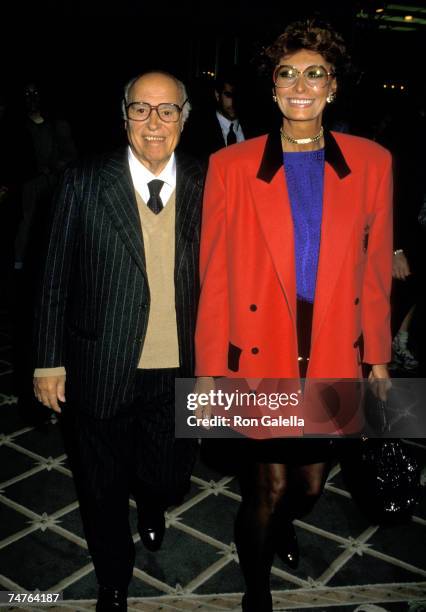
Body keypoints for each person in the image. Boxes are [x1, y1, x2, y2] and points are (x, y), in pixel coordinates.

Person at [194, 19, 392, 612]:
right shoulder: (231, 166)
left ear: (333, 86)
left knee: (308, 485)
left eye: (315, 73)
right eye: (287, 73)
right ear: (273, 87)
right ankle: (258, 593)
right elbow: (215, 276)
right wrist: (208, 373)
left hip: (335, 348)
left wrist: (378, 362)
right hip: (261, 348)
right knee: (268, 484)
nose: (300, 84)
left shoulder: (373, 162)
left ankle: (284, 526)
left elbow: (376, 271)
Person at [33, 71, 205, 611]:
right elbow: (54, 273)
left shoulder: (210, 182)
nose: (154, 123)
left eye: (167, 110)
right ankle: (113, 578)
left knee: (168, 476)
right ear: (123, 113)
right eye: (141, 110)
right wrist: (47, 361)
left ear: (185, 116)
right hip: (100, 362)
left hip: (181, 366)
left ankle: (152, 502)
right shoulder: (84, 180)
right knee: (101, 487)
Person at [181, 69, 251, 160]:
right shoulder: (196, 128)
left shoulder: (254, 129)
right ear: (217, 95)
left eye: (238, 96)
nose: (234, 102)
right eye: (228, 95)